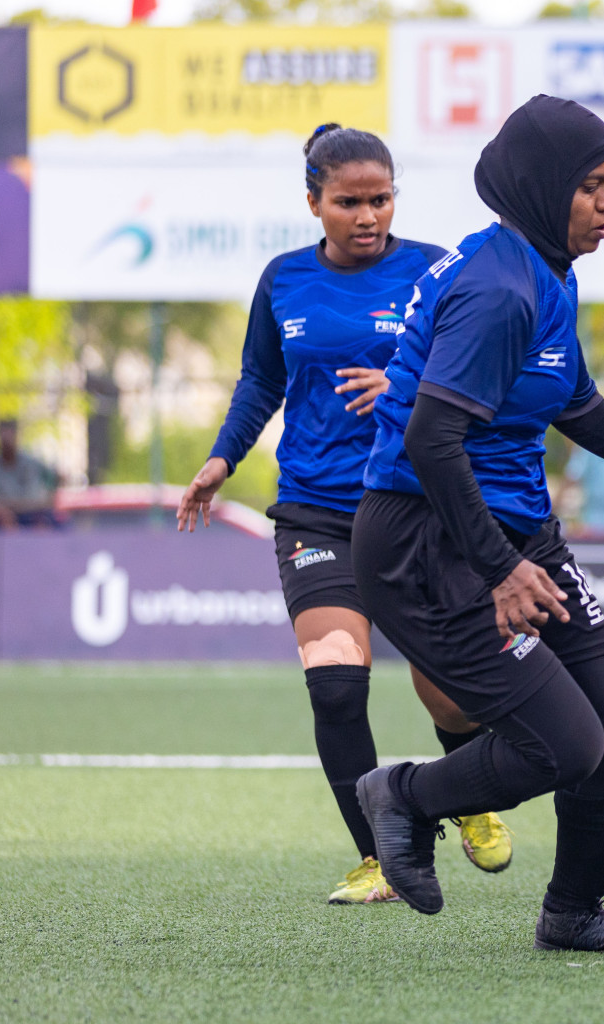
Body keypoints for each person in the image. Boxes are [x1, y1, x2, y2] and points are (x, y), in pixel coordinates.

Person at [347, 95, 604, 951]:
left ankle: (572, 913)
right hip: (431, 538)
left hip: (512, 533)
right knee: (565, 745)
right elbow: (431, 439)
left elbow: (578, 409)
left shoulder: (544, 272)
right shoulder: (498, 289)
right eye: (593, 186)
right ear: (544, 188)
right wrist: (500, 568)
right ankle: (405, 796)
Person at [176, 124, 513, 905]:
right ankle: (382, 858)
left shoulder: (436, 270)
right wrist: (222, 459)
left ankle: (469, 793)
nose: (368, 216)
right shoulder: (284, 279)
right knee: (334, 683)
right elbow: (260, 380)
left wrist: (401, 388)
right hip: (315, 510)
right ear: (313, 203)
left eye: (381, 199)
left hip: (412, 505)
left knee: (449, 693)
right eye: (349, 202)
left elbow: (480, 375)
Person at [0, 418, 59, 528]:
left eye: (10, 434)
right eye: (3, 435)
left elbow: (54, 478)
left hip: (32, 515)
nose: (6, 439)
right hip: (1, 516)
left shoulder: (32, 462)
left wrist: (48, 501)